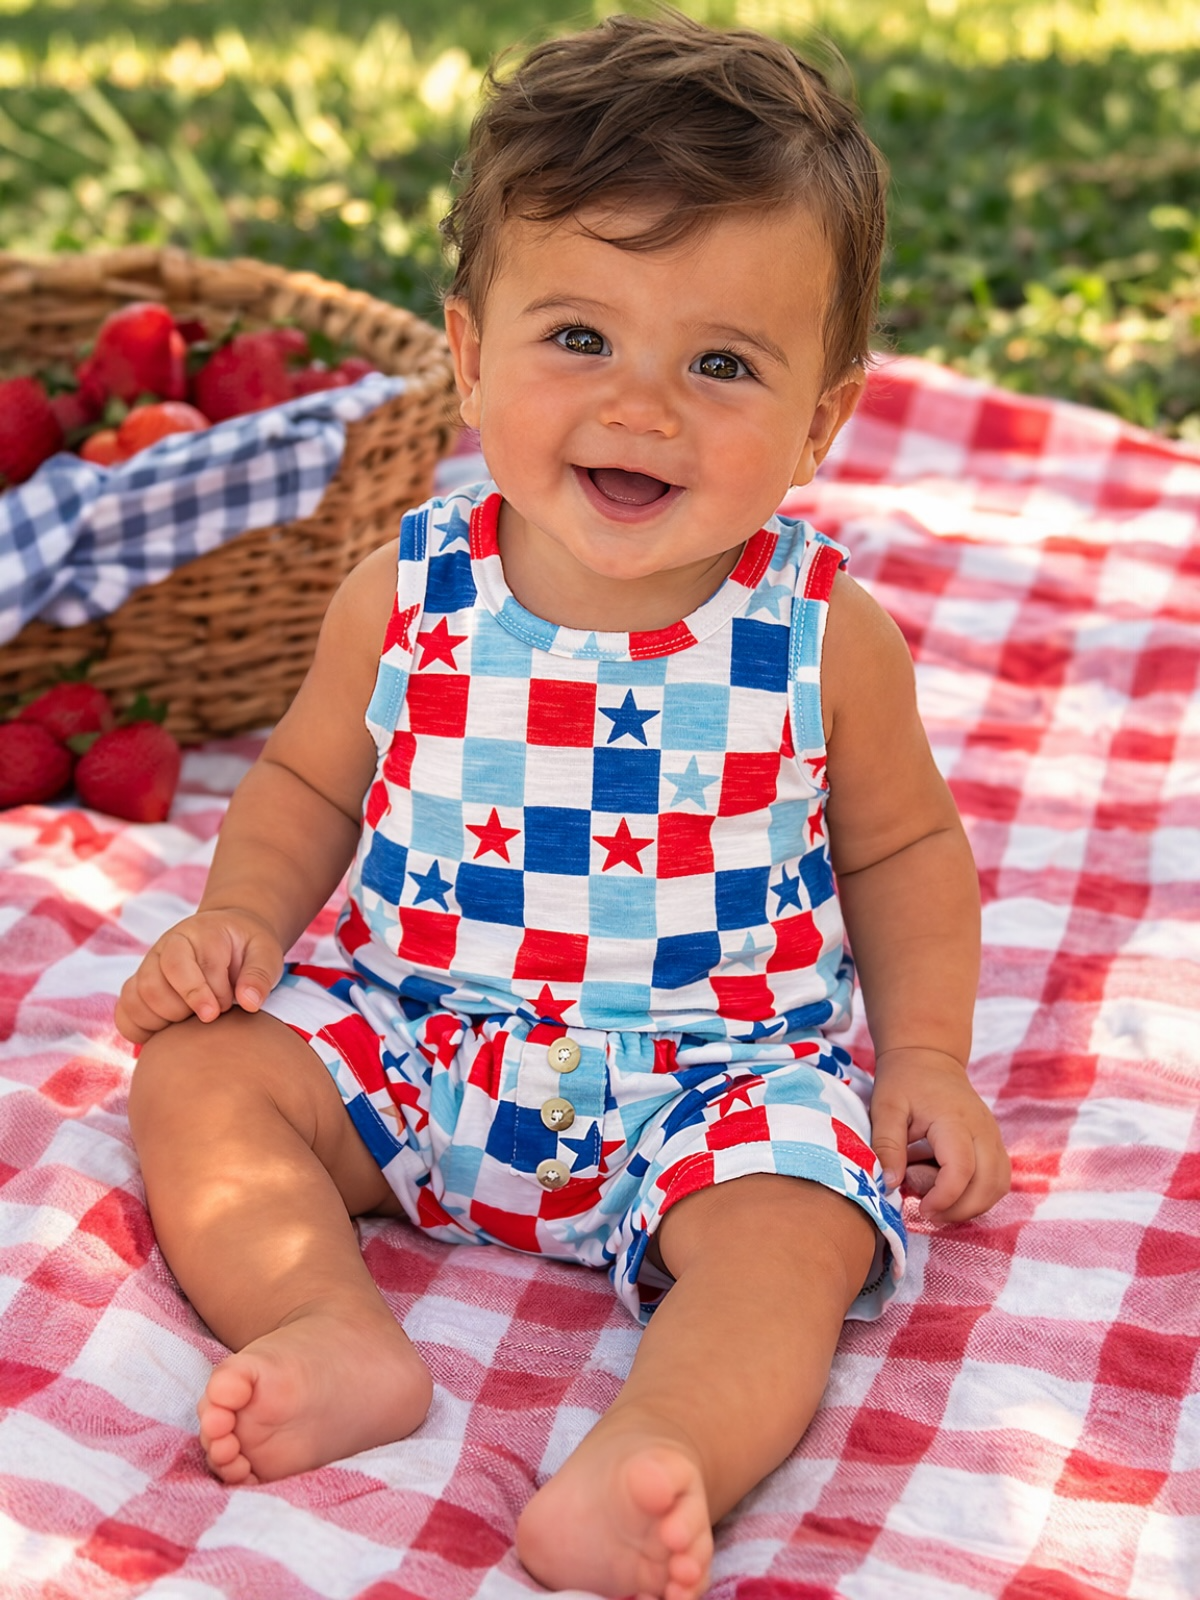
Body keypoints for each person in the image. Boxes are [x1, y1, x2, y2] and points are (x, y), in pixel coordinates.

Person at [117, 12, 1010, 1599]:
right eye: (580, 338)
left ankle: (655, 1450)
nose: (643, 407)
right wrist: (240, 921)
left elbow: (903, 845)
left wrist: (925, 1055)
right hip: (417, 1043)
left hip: (714, 1083)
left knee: (799, 1229)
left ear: (821, 417)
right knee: (199, 1077)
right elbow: (314, 778)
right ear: (469, 356)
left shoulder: (814, 632)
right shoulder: (410, 590)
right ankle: (328, 1322)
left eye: (721, 363)